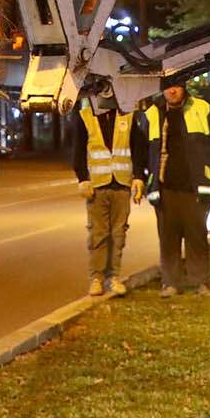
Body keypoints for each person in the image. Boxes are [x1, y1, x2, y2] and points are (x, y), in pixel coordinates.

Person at [138, 82, 210, 297]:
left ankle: (202, 281)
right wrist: (139, 178)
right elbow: (141, 151)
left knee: (197, 237)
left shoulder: (202, 108)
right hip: (164, 188)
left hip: (195, 187)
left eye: (176, 86)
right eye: (168, 87)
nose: (172, 90)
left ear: (184, 86)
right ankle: (171, 283)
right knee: (168, 239)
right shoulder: (151, 115)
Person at [72, 87, 142, 297]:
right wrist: (82, 178)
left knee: (118, 234)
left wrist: (138, 176)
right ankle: (97, 278)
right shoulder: (85, 116)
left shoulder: (127, 115)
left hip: (121, 183)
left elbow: (138, 148)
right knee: (98, 234)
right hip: (97, 185)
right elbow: (77, 149)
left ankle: (114, 277)